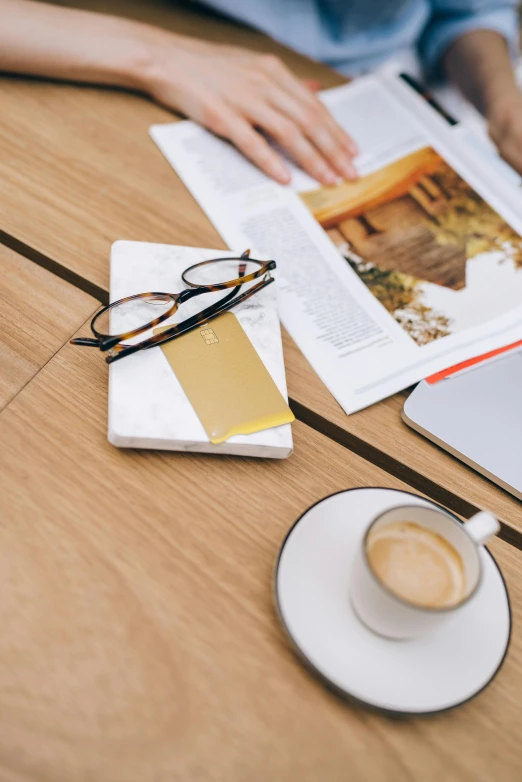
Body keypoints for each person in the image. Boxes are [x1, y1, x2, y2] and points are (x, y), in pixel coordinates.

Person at [1, 0, 520, 184]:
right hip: (100, 51)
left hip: (352, 94)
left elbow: (466, 12)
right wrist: (156, 55)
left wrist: (502, 104)